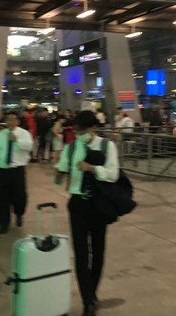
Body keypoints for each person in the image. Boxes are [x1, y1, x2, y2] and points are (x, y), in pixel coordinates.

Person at [54, 110, 119, 316]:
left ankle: (91, 294)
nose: (78, 135)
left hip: (99, 205)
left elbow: (113, 174)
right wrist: (58, 173)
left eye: (81, 131)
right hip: (77, 205)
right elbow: (60, 176)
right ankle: (88, 300)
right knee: (81, 254)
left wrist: (91, 168)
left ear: (93, 128)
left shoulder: (107, 146)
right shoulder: (71, 147)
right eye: (76, 131)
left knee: (98, 253)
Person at [0, 111, 33, 234]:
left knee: (20, 196)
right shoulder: (1, 135)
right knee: (2, 197)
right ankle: (4, 223)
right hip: (3, 170)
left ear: (18, 121)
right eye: (8, 119)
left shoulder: (24, 133)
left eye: (13, 119)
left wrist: (17, 140)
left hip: (17, 170)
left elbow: (29, 147)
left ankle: (19, 213)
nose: (11, 122)